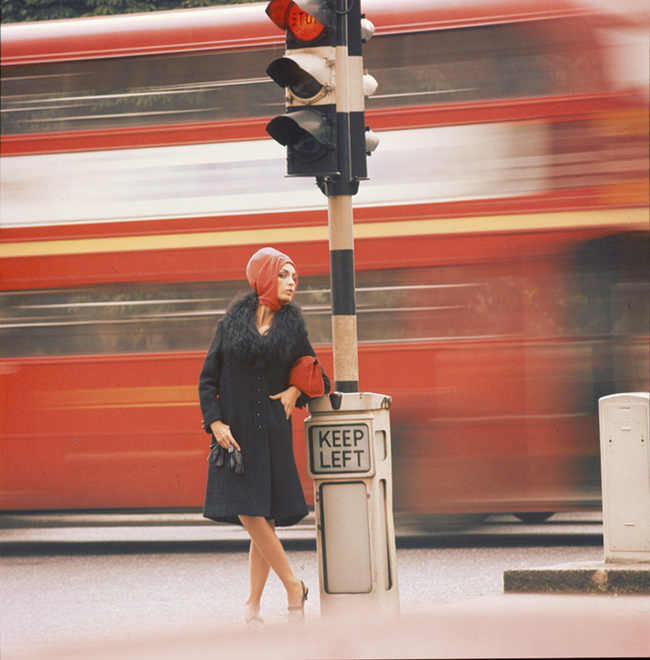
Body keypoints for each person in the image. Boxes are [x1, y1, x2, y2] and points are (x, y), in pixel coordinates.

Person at [198, 247, 330, 626]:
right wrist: (216, 423)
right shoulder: (230, 324)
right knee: (251, 512)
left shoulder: (293, 328)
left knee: (262, 519)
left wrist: (294, 392)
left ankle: (252, 605)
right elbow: (208, 380)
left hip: (272, 435)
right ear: (265, 278)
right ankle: (293, 585)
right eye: (285, 275)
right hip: (235, 437)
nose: (292, 282)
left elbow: (315, 373)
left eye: (294, 277)